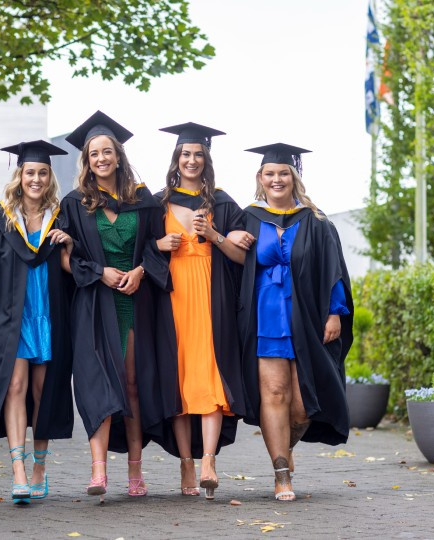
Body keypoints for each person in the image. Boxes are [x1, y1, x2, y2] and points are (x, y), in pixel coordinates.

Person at [60, 111, 178, 502]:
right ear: (87, 160)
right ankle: (98, 471)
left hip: (133, 301)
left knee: (131, 386)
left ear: (118, 156)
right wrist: (100, 272)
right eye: (94, 153)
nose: (101, 158)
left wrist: (142, 271)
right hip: (95, 302)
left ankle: (135, 470)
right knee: (97, 383)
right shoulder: (74, 203)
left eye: (107, 151)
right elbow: (68, 258)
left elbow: (156, 246)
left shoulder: (143, 200)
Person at [238, 142, 354, 502]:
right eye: (270, 174)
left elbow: (333, 269)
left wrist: (335, 312)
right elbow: (232, 262)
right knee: (274, 393)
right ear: (261, 177)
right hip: (265, 315)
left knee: (303, 404)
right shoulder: (249, 217)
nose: (277, 179)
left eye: (283, 173)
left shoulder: (315, 221)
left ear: (294, 177)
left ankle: (286, 449)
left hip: (306, 315)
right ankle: (281, 473)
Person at [0, 140, 75, 504]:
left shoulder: (62, 218)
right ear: (19, 175)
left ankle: (40, 466)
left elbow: (76, 266)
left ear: (50, 177)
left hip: (50, 316)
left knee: (44, 393)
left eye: (43, 172)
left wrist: (68, 242)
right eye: (30, 172)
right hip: (12, 317)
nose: (36, 179)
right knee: (14, 388)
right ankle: (19, 472)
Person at [153, 123, 253, 500]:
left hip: (213, 299)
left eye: (198, 154)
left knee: (210, 377)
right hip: (172, 297)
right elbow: (143, 248)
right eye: (185, 154)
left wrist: (214, 236)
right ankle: (186, 462)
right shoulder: (158, 202)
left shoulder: (224, 204)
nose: (191, 160)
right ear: (176, 160)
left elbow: (243, 257)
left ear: (206, 160)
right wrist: (160, 243)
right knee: (177, 380)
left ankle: (208, 460)